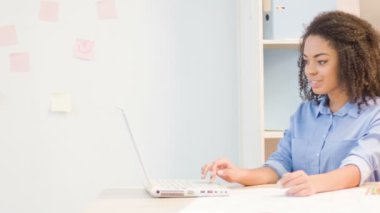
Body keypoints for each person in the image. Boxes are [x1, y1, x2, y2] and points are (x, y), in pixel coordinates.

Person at [201, 11, 380, 197]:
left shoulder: (375, 113)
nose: (309, 71)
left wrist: (313, 183)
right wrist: (240, 174)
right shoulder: (305, 113)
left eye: (321, 61)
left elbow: (357, 168)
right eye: (306, 61)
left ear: (350, 61)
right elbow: (280, 165)